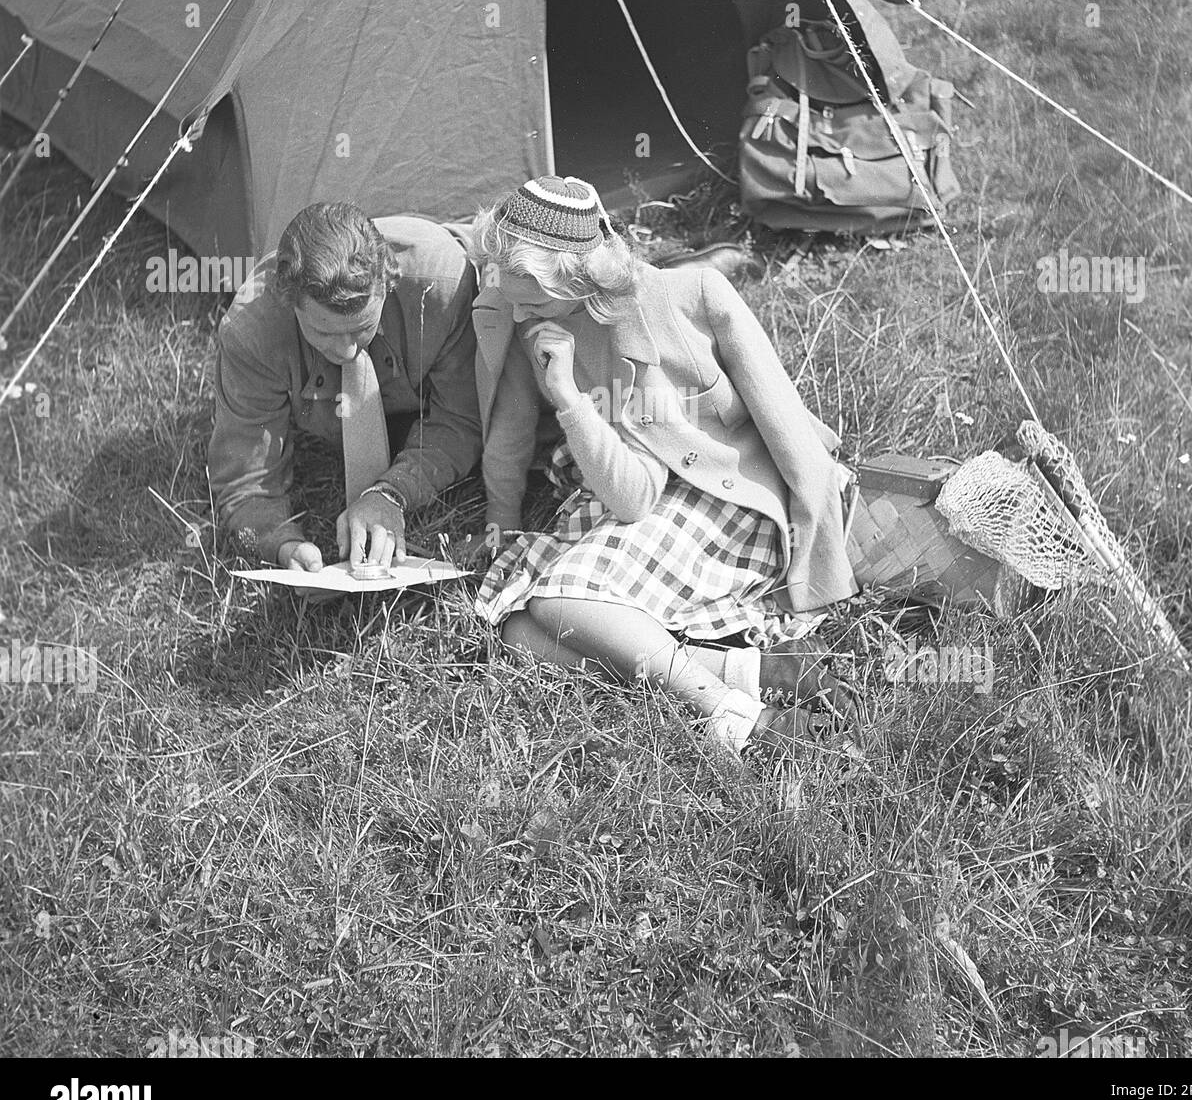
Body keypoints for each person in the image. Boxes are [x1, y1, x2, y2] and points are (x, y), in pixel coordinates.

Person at [467, 176, 857, 755]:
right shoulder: (536, 317)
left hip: (726, 495)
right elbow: (515, 428)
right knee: (518, 629)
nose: (518, 311)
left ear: (577, 277)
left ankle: (723, 711)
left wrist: (817, 547)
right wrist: (501, 515)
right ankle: (742, 675)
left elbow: (786, 425)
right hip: (629, 487)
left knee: (555, 602)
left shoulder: (685, 299)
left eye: (532, 299)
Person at [208, 201, 481, 570]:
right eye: (323, 331)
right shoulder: (251, 334)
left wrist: (391, 493)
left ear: (387, 284)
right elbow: (244, 480)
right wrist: (281, 546)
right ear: (291, 304)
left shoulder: (441, 284)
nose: (348, 350)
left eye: (362, 327)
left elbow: (462, 420)